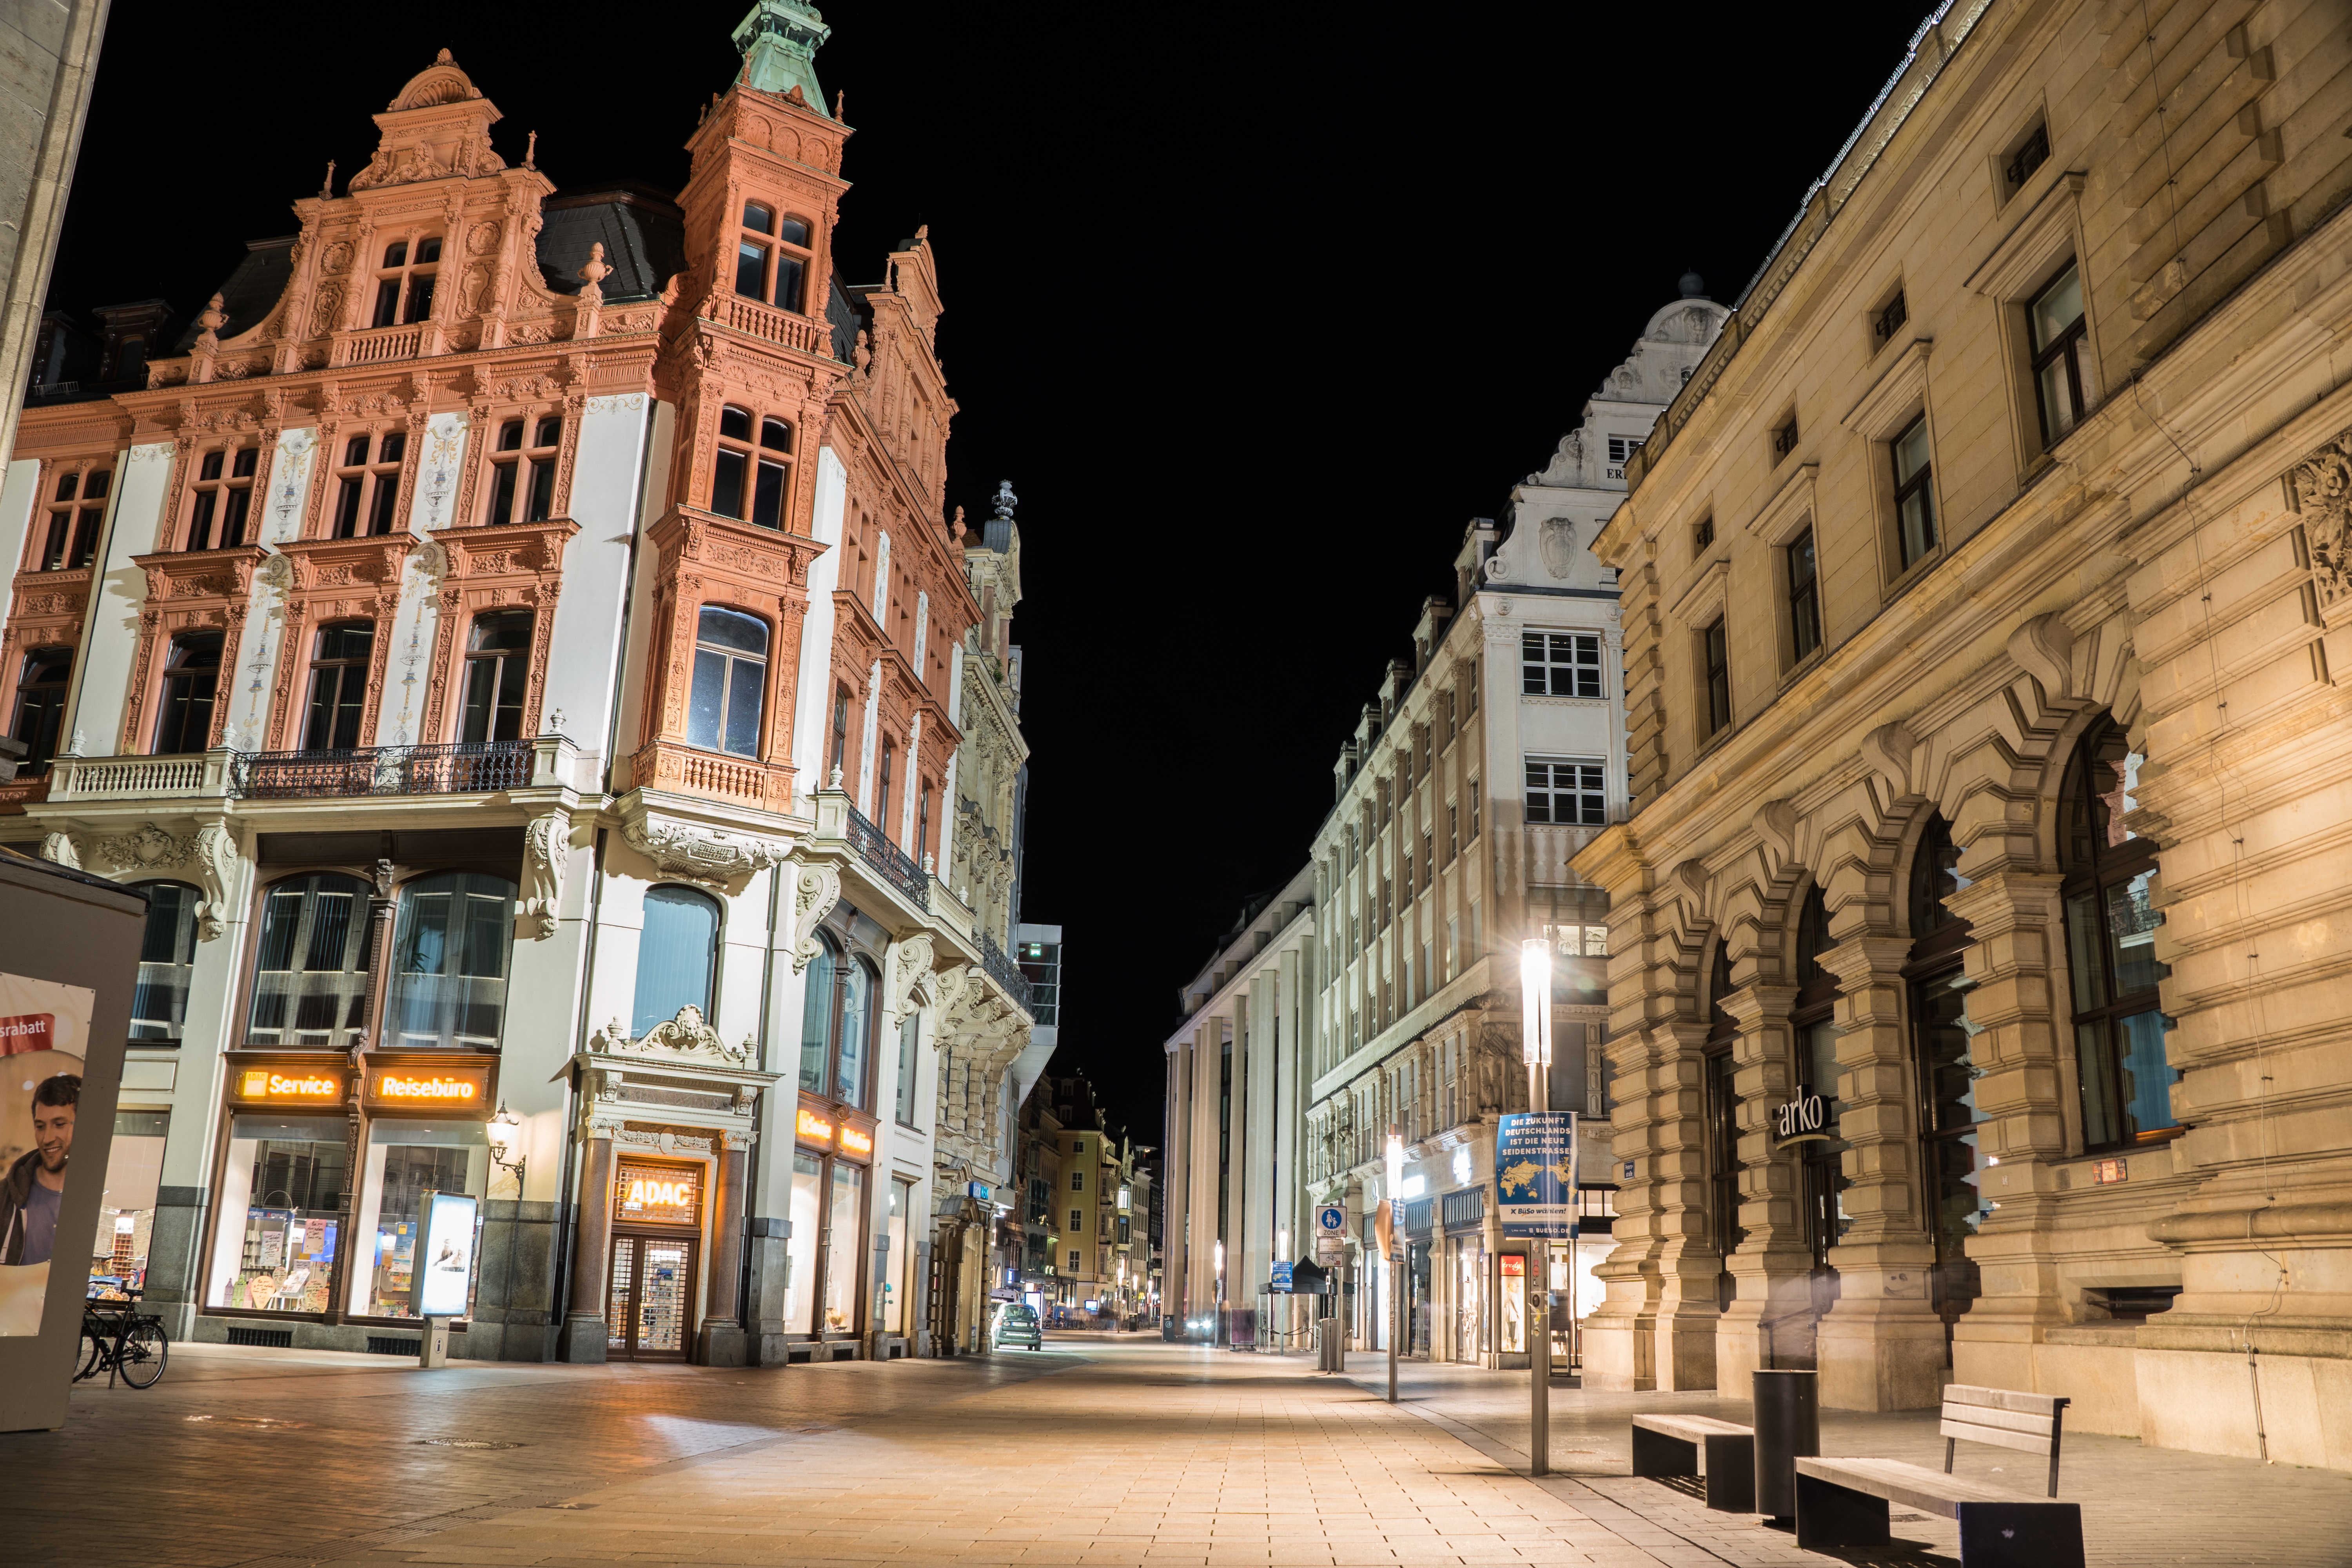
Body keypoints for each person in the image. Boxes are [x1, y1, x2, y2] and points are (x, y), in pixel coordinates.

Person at [2, 1073, 78, 1266]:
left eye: (59, 1125)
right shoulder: (4, 1197)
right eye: (40, 1126)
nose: (47, 1138)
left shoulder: (95, 1197)